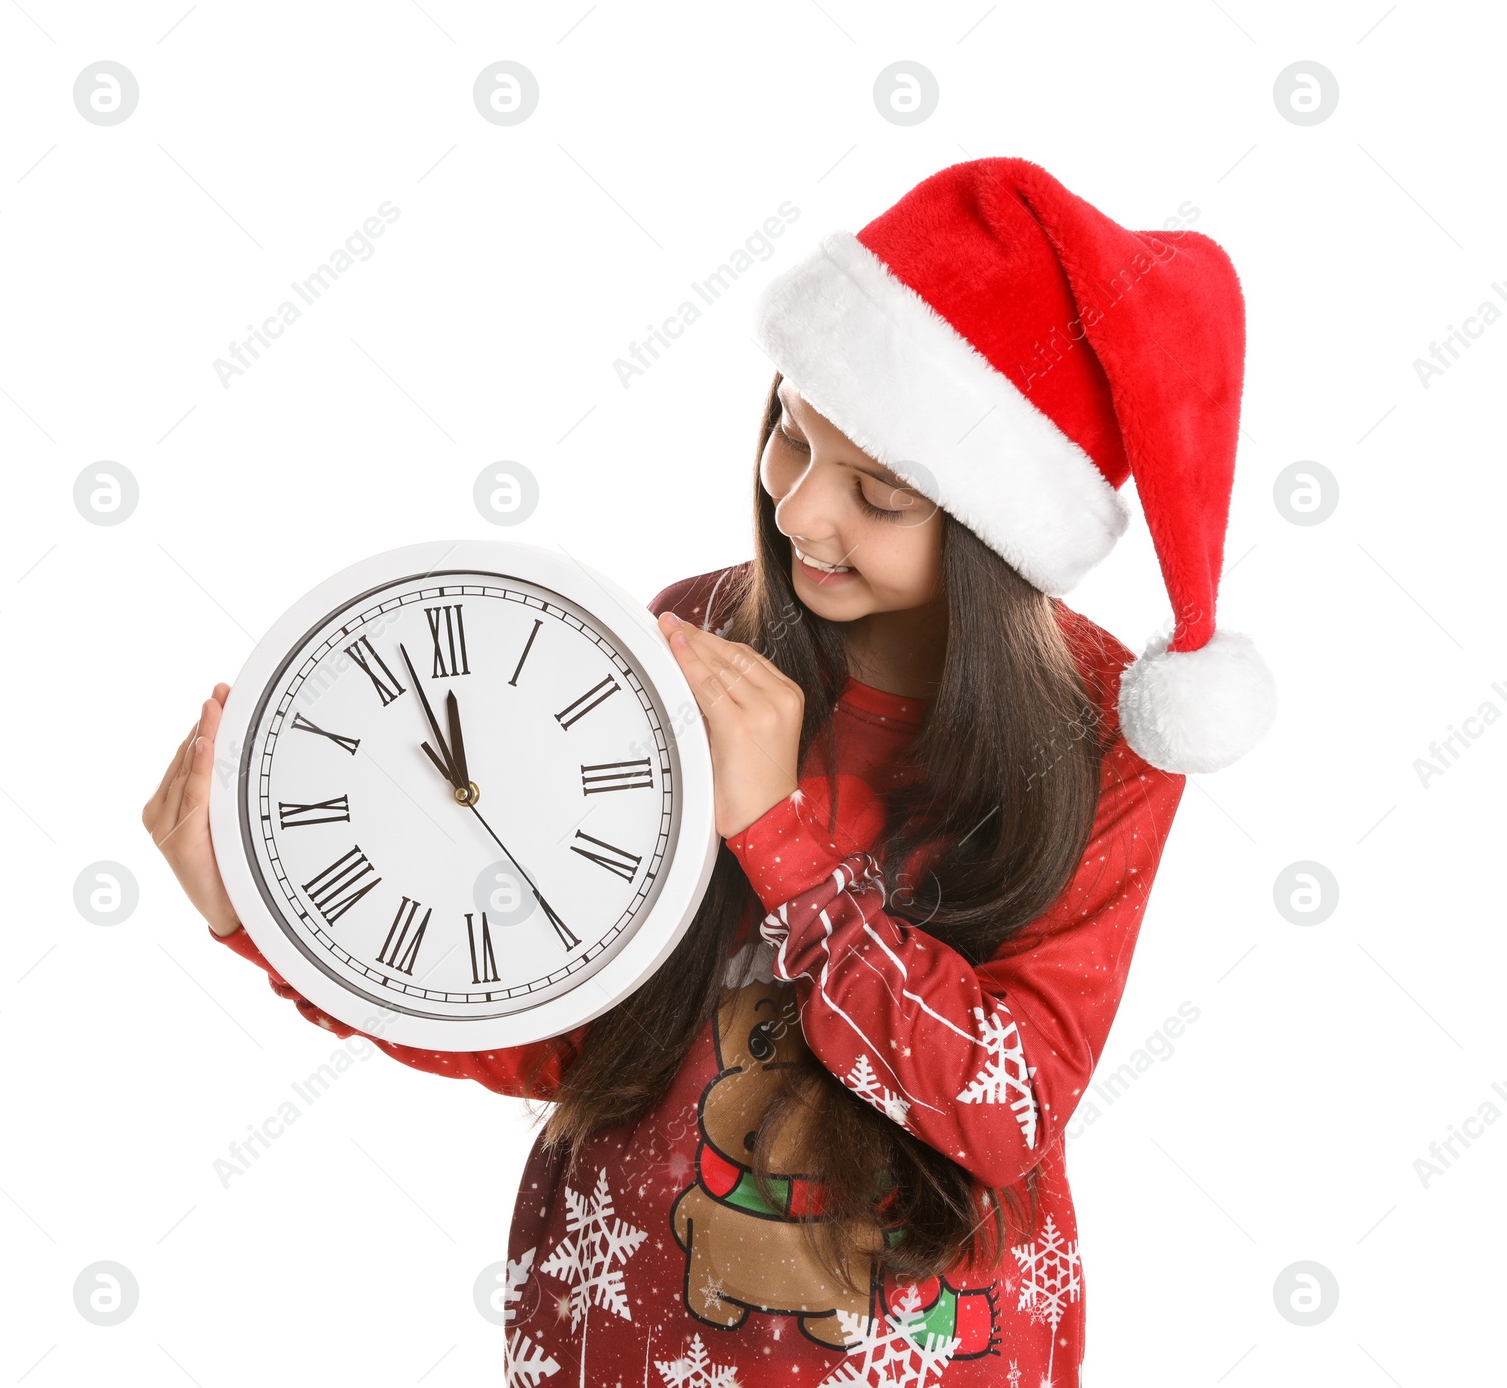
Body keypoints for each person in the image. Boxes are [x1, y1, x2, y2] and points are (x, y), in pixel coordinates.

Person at [144, 156, 1276, 1386]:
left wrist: (778, 831)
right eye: (788, 434)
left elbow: (1000, 1109)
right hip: (618, 1331)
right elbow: (565, 1033)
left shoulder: (1102, 733)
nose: (797, 514)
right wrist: (267, 922)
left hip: (925, 1357)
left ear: (1002, 528)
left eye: (878, 494)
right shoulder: (693, 636)